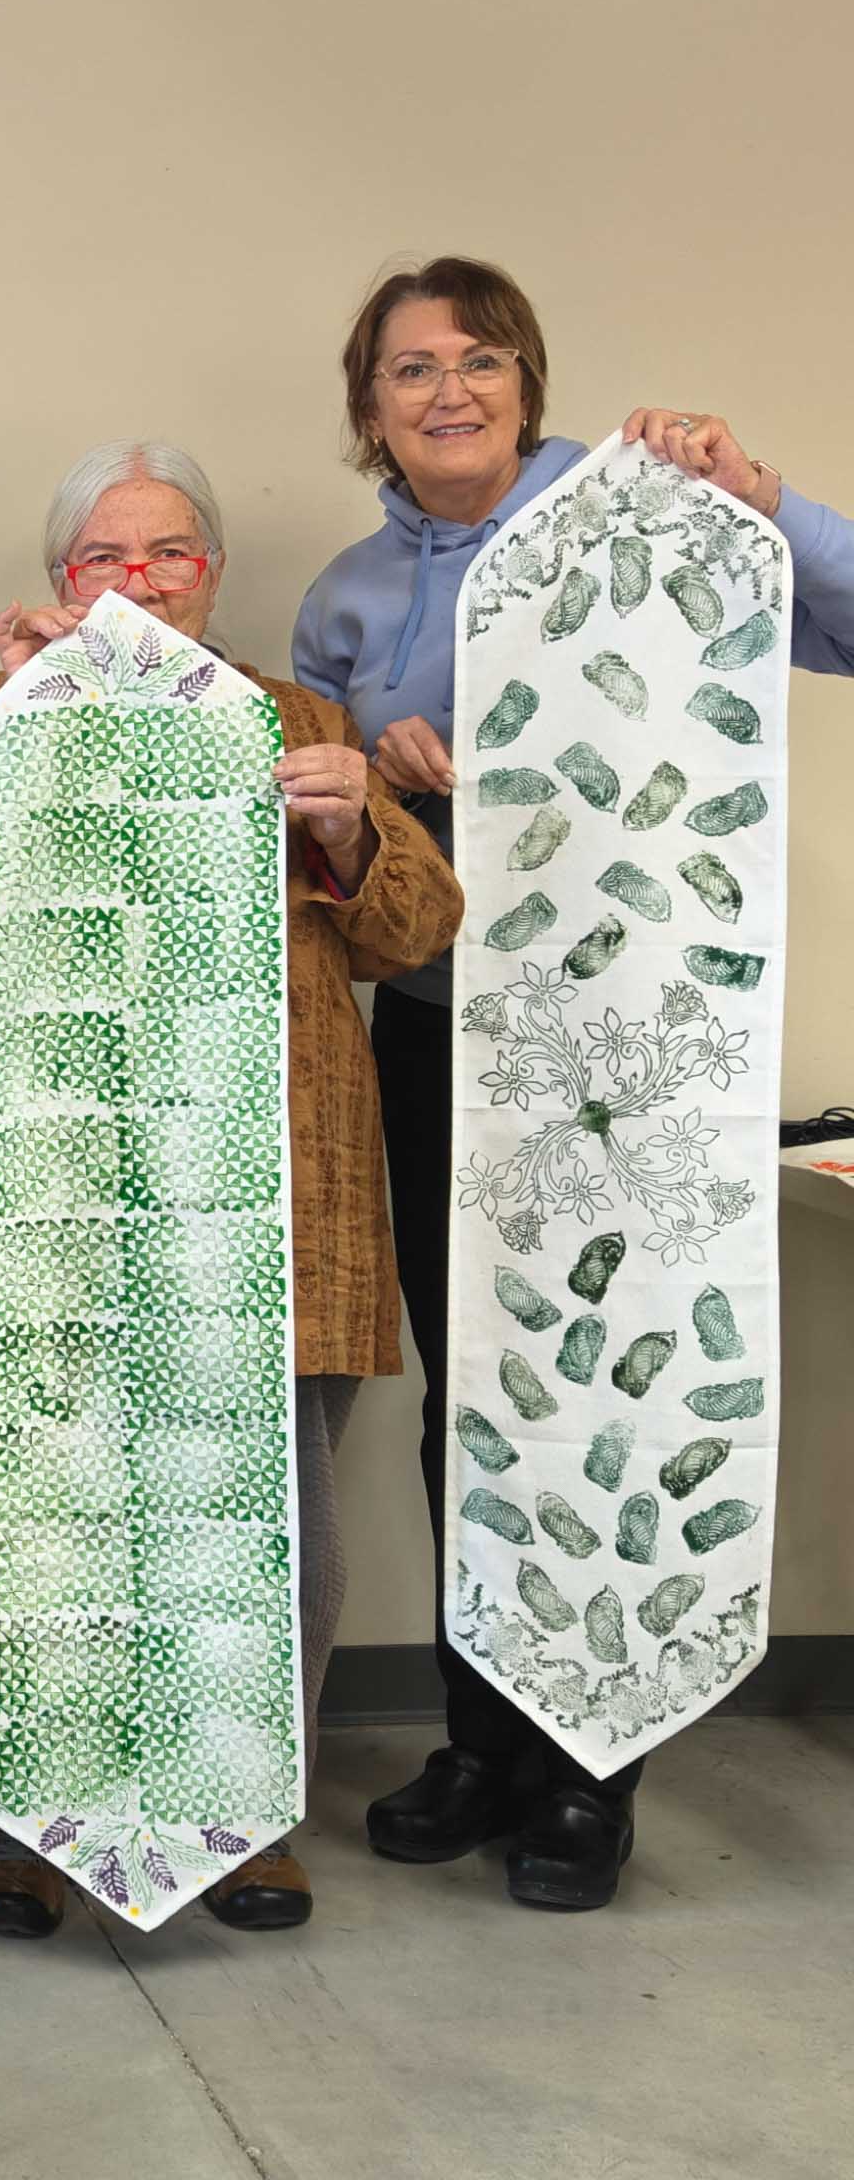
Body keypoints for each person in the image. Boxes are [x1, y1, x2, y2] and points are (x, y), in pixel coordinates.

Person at [292, 256, 854, 1909]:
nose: (446, 388)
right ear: (366, 405)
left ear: (527, 380)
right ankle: (484, 1731)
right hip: (439, 1025)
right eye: (409, 367)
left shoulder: (648, 513)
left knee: (612, 1373)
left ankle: (589, 1761)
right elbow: (331, 855)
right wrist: (383, 785)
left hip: (625, 1042)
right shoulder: (344, 594)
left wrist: (759, 496)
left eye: (477, 359)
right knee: (480, 1387)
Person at [0, 440, 461, 1937]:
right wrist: (20, 711)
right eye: (104, 560)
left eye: (170, 558)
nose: (137, 584)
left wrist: (347, 824)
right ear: (61, 581)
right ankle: (24, 1829)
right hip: (41, 1204)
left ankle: (250, 1819)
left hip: (263, 1203)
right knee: (34, 1523)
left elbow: (419, 928)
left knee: (267, 1527)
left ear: (211, 579)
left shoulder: (298, 719)